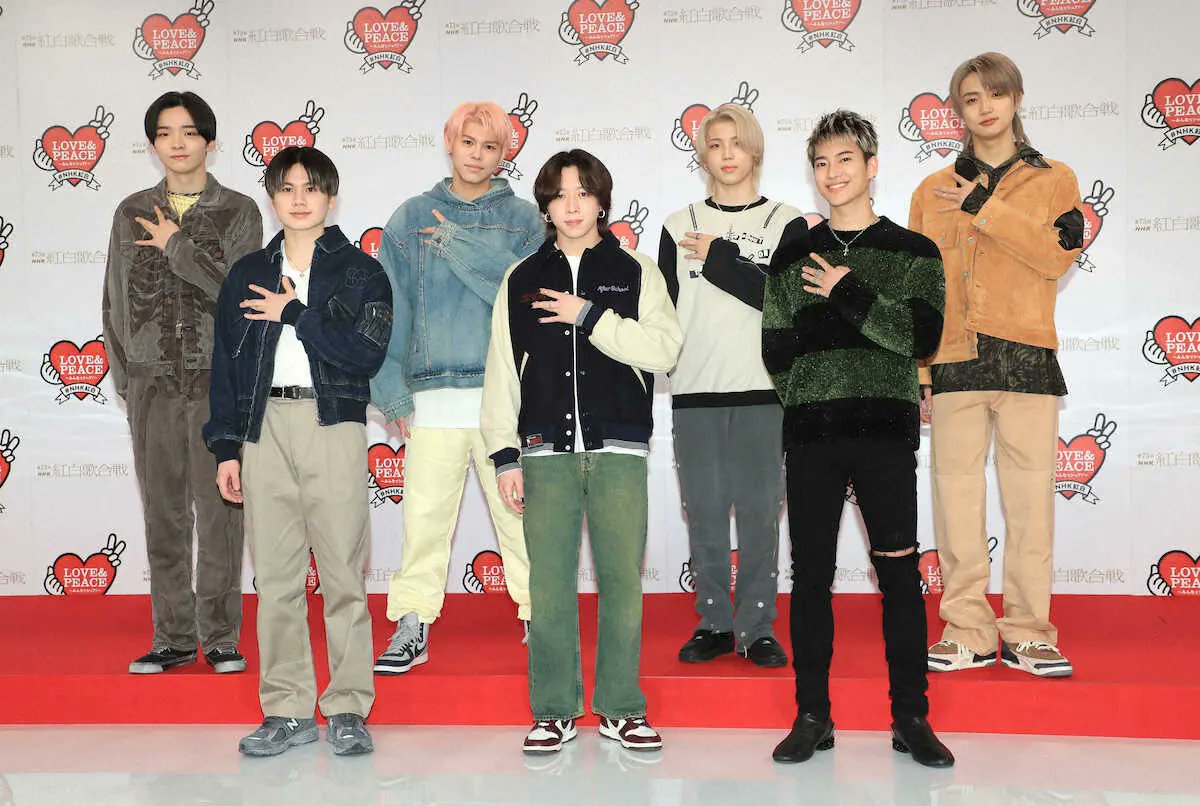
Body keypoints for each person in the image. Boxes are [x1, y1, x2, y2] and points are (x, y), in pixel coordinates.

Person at [763, 111, 953, 767]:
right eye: (821, 163)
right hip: (813, 434)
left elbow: (920, 337)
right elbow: (776, 346)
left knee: (899, 574)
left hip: (884, 435)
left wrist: (848, 291)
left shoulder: (915, 251)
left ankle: (911, 719)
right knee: (810, 578)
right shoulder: (792, 255)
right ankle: (812, 716)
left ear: (872, 166)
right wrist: (809, 399)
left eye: (844, 159)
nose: (832, 173)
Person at [481, 149, 682, 754]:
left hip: (619, 450)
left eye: (583, 193)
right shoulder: (521, 278)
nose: (571, 205)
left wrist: (589, 315)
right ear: (545, 206)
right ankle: (553, 711)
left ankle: (621, 708)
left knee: (622, 582)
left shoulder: (636, 271)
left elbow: (664, 350)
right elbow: (502, 374)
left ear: (601, 202)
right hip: (544, 453)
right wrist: (505, 456)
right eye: (559, 194)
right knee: (548, 587)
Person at [204, 146, 392, 757]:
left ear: (331, 196)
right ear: (272, 198)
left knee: (342, 575)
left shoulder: (361, 272)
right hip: (262, 428)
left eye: (311, 187)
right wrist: (226, 447)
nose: (299, 198)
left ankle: (348, 707)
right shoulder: (246, 273)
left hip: (332, 423)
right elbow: (225, 368)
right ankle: (286, 709)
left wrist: (297, 314)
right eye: (286, 188)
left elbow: (365, 354)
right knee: (277, 579)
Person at [912, 52, 1084, 678]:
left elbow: (1058, 255)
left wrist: (984, 204)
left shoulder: (1055, 179)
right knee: (956, 502)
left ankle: (1030, 631)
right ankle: (967, 629)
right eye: (970, 98)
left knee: (1031, 503)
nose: (984, 108)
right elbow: (919, 290)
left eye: (994, 94)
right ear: (958, 111)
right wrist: (920, 372)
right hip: (954, 361)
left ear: (1016, 99)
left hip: (1027, 361)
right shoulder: (930, 191)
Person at [371, 102, 543, 675]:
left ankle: (540, 618)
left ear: (504, 154)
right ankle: (412, 621)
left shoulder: (524, 220)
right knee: (423, 522)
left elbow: (527, 299)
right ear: (450, 143)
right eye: (468, 142)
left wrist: (453, 242)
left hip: (505, 398)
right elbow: (388, 309)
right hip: (431, 399)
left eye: (490, 146)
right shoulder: (410, 217)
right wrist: (391, 390)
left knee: (521, 519)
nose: (477, 155)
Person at [102, 91, 261, 676]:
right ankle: (171, 637)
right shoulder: (129, 211)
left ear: (210, 143)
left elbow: (240, 296)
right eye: (165, 133)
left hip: (215, 380)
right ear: (152, 144)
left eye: (189, 132)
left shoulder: (238, 211)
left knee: (220, 512)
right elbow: (114, 301)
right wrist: (129, 378)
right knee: (163, 514)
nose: (177, 143)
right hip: (152, 384)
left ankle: (219, 636)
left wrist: (177, 247)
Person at [659, 103, 808, 668]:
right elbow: (663, 317)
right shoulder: (677, 224)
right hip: (695, 391)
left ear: (756, 152)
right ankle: (715, 622)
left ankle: (757, 627)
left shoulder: (787, 222)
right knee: (703, 514)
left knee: (760, 515)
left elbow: (787, 302)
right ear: (702, 154)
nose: (726, 154)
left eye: (737, 143)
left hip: (763, 391)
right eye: (715, 144)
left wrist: (723, 258)